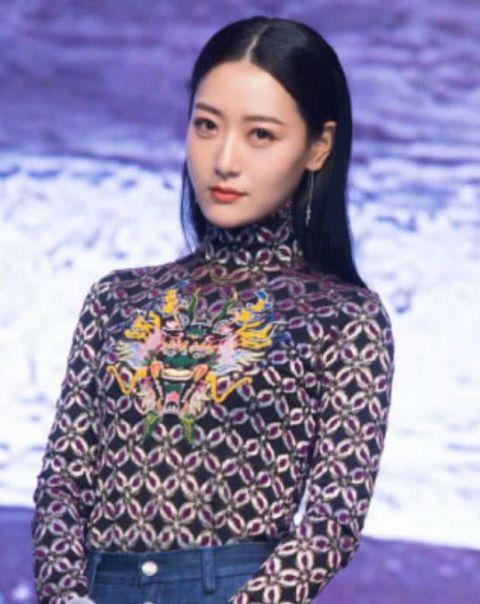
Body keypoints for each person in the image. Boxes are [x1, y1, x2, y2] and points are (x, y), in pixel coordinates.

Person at [31, 15, 396, 604]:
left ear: (318, 147)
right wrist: (65, 595)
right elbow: (62, 484)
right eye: (206, 126)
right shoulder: (116, 298)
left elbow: (331, 523)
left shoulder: (343, 318)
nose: (224, 160)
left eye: (261, 135)